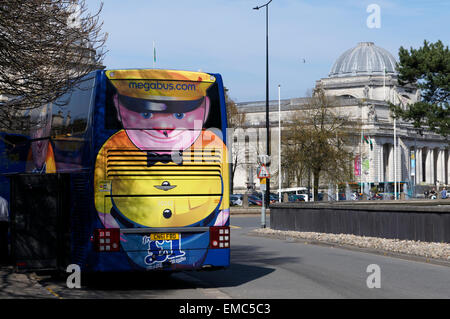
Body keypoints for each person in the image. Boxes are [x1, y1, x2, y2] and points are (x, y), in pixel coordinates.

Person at [0, 196, 9, 265]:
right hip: (4, 223)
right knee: (4, 241)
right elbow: (6, 214)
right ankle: (4, 260)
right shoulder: (4, 200)